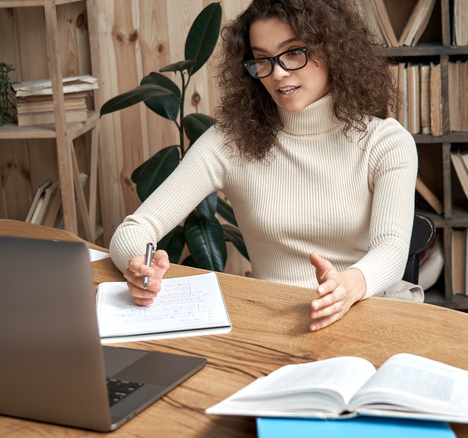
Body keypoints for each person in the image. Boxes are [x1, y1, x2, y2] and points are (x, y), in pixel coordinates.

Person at [110, 0, 420, 332]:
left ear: (332, 49)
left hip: (368, 311)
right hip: (272, 322)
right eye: (262, 60)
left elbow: (392, 248)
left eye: (293, 52)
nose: (279, 73)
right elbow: (133, 230)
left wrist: (350, 285)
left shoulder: (386, 142)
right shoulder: (230, 141)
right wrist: (139, 267)